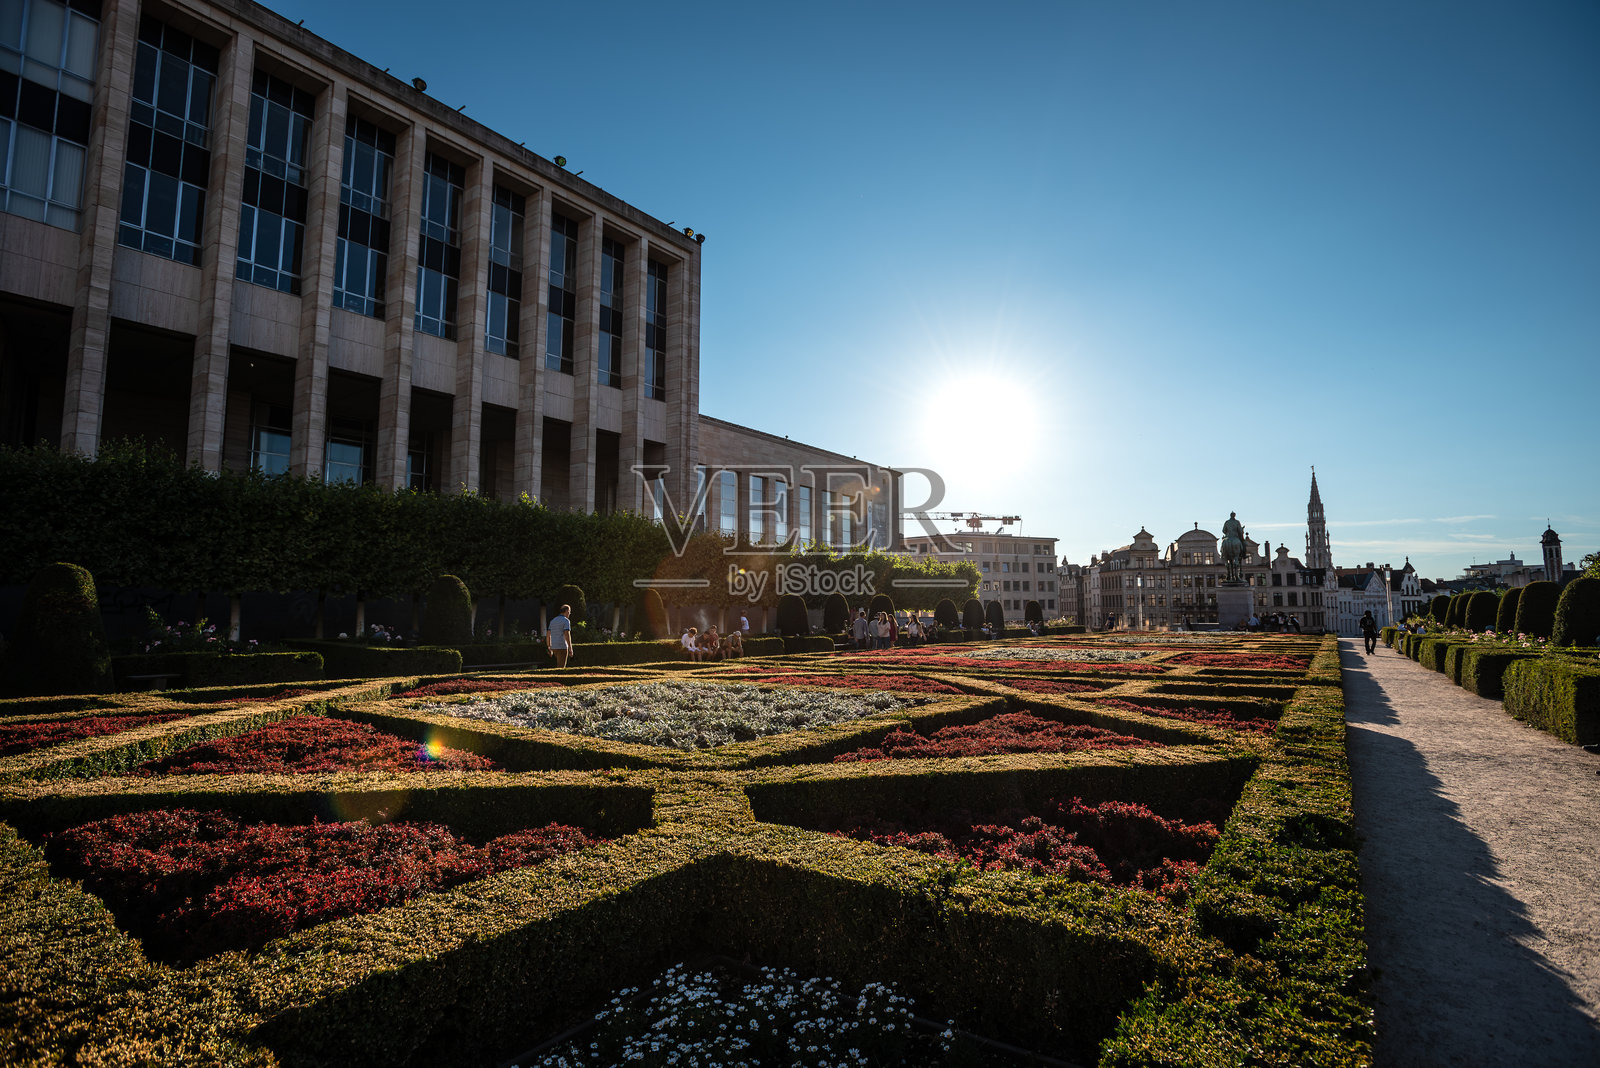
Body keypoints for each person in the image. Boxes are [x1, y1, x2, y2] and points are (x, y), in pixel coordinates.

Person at [547, 604, 574, 668]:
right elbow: (567, 634)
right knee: (561, 668)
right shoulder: (566, 621)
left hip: (554, 646)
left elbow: (548, 635)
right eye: (569, 611)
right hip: (562, 646)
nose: (570, 613)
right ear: (567, 611)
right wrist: (570, 648)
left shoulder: (553, 621)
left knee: (558, 666)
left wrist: (549, 646)